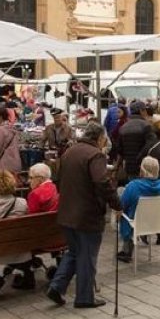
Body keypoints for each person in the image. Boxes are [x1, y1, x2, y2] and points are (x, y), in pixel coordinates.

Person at [46, 123, 122, 308]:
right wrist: (116, 204)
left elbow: (58, 178)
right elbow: (101, 181)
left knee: (74, 252)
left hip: (67, 212)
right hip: (86, 214)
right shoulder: (95, 155)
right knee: (87, 256)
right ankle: (85, 297)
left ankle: (57, 286)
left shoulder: (70, 152)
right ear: (100, 138)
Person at [117, 157, 160, 263]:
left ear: (142, 170)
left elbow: (122, 205)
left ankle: (126, 249)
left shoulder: (134, 186)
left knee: (123, 203)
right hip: (156, 223)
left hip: (137, 223)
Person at [115, 101, 158, 181]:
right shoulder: (146, 126)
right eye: (145, 110)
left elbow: (119, 150)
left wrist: (118, 166)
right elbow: (152, 145)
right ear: (141, 111)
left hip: (129, 167)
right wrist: (140, 157)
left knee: (134, 189)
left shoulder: (123, 127)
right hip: (145, 167)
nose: (146, 112)